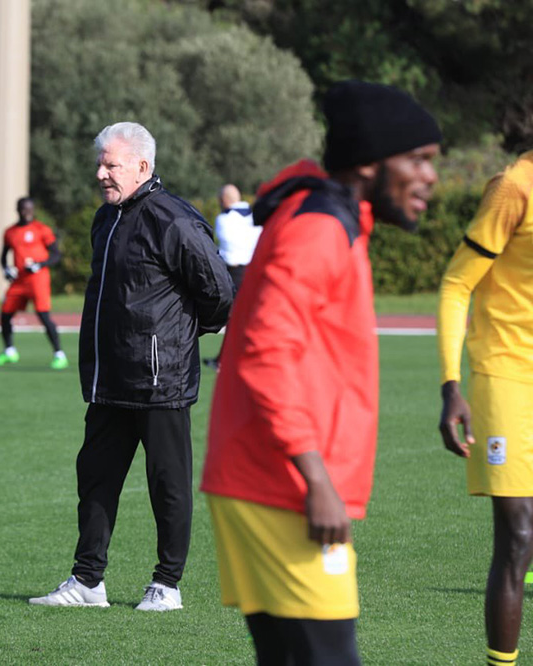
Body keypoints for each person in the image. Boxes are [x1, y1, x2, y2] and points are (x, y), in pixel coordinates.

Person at [200, 80, 442, 664]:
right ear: (368, 162)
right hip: (279, 483)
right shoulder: (319, 227)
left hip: (266, 477)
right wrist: (315, 477)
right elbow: (263, 351)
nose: (431, 177)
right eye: (418, 160)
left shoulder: (336, 218)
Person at [29, 121, 234, 611]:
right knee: (95, 479)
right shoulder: (106, 217)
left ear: (143, 166)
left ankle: (167, 584)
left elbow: (221, 294)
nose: (101, 173)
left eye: (111, 164)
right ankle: (87, 582)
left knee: (167, 483)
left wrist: (181, 338)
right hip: (108, 379)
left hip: (160, 381)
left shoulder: (174, 219)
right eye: (99, 164)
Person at [437, 151, 533, 666]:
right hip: (507, 376)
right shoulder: (514, 188)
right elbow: (457, 285)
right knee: (518, 535)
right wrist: (452, 385)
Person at [0, 197, 68, 370]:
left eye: (29, 209)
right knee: (5, 314)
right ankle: (9, 351)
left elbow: (56, 255)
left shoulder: (42, 229)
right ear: (17, 210)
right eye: (23, 209)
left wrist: (39, 264)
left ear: (34, 210)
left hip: (37, 279)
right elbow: (3, 257)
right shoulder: (9, 232)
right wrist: (6, 269)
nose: (26, 212)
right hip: (19, 281)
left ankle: (59, 354)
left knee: (43, 315)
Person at [203, 183, 261, 370]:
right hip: (254, 270)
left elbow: (229, 251)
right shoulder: (254, 215)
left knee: (236, 318)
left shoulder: (225, 219)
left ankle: (228, 359)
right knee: (243, 318)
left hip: (235, 272)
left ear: (223, 201)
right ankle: (225, 358)